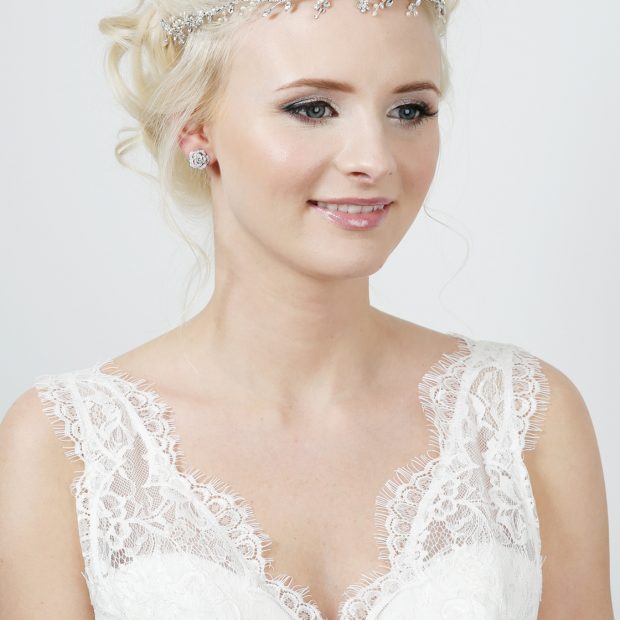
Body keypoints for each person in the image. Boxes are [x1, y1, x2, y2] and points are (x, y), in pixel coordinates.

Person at [0, 0, 614, 618]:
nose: (374, 159)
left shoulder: (524, 417)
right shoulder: (61, 446)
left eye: (409, 110)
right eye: (313, 108)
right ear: (195, 127)